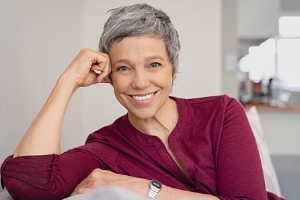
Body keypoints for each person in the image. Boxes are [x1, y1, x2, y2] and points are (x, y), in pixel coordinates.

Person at [0, 3, 283, 200]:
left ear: (174, 67)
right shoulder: (104, 146)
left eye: (154, 64)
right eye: (124, 68)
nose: (139, 82)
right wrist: (68, 81)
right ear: (108, 75)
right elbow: (29, 183)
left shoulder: (221, 112)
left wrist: (146, 189)